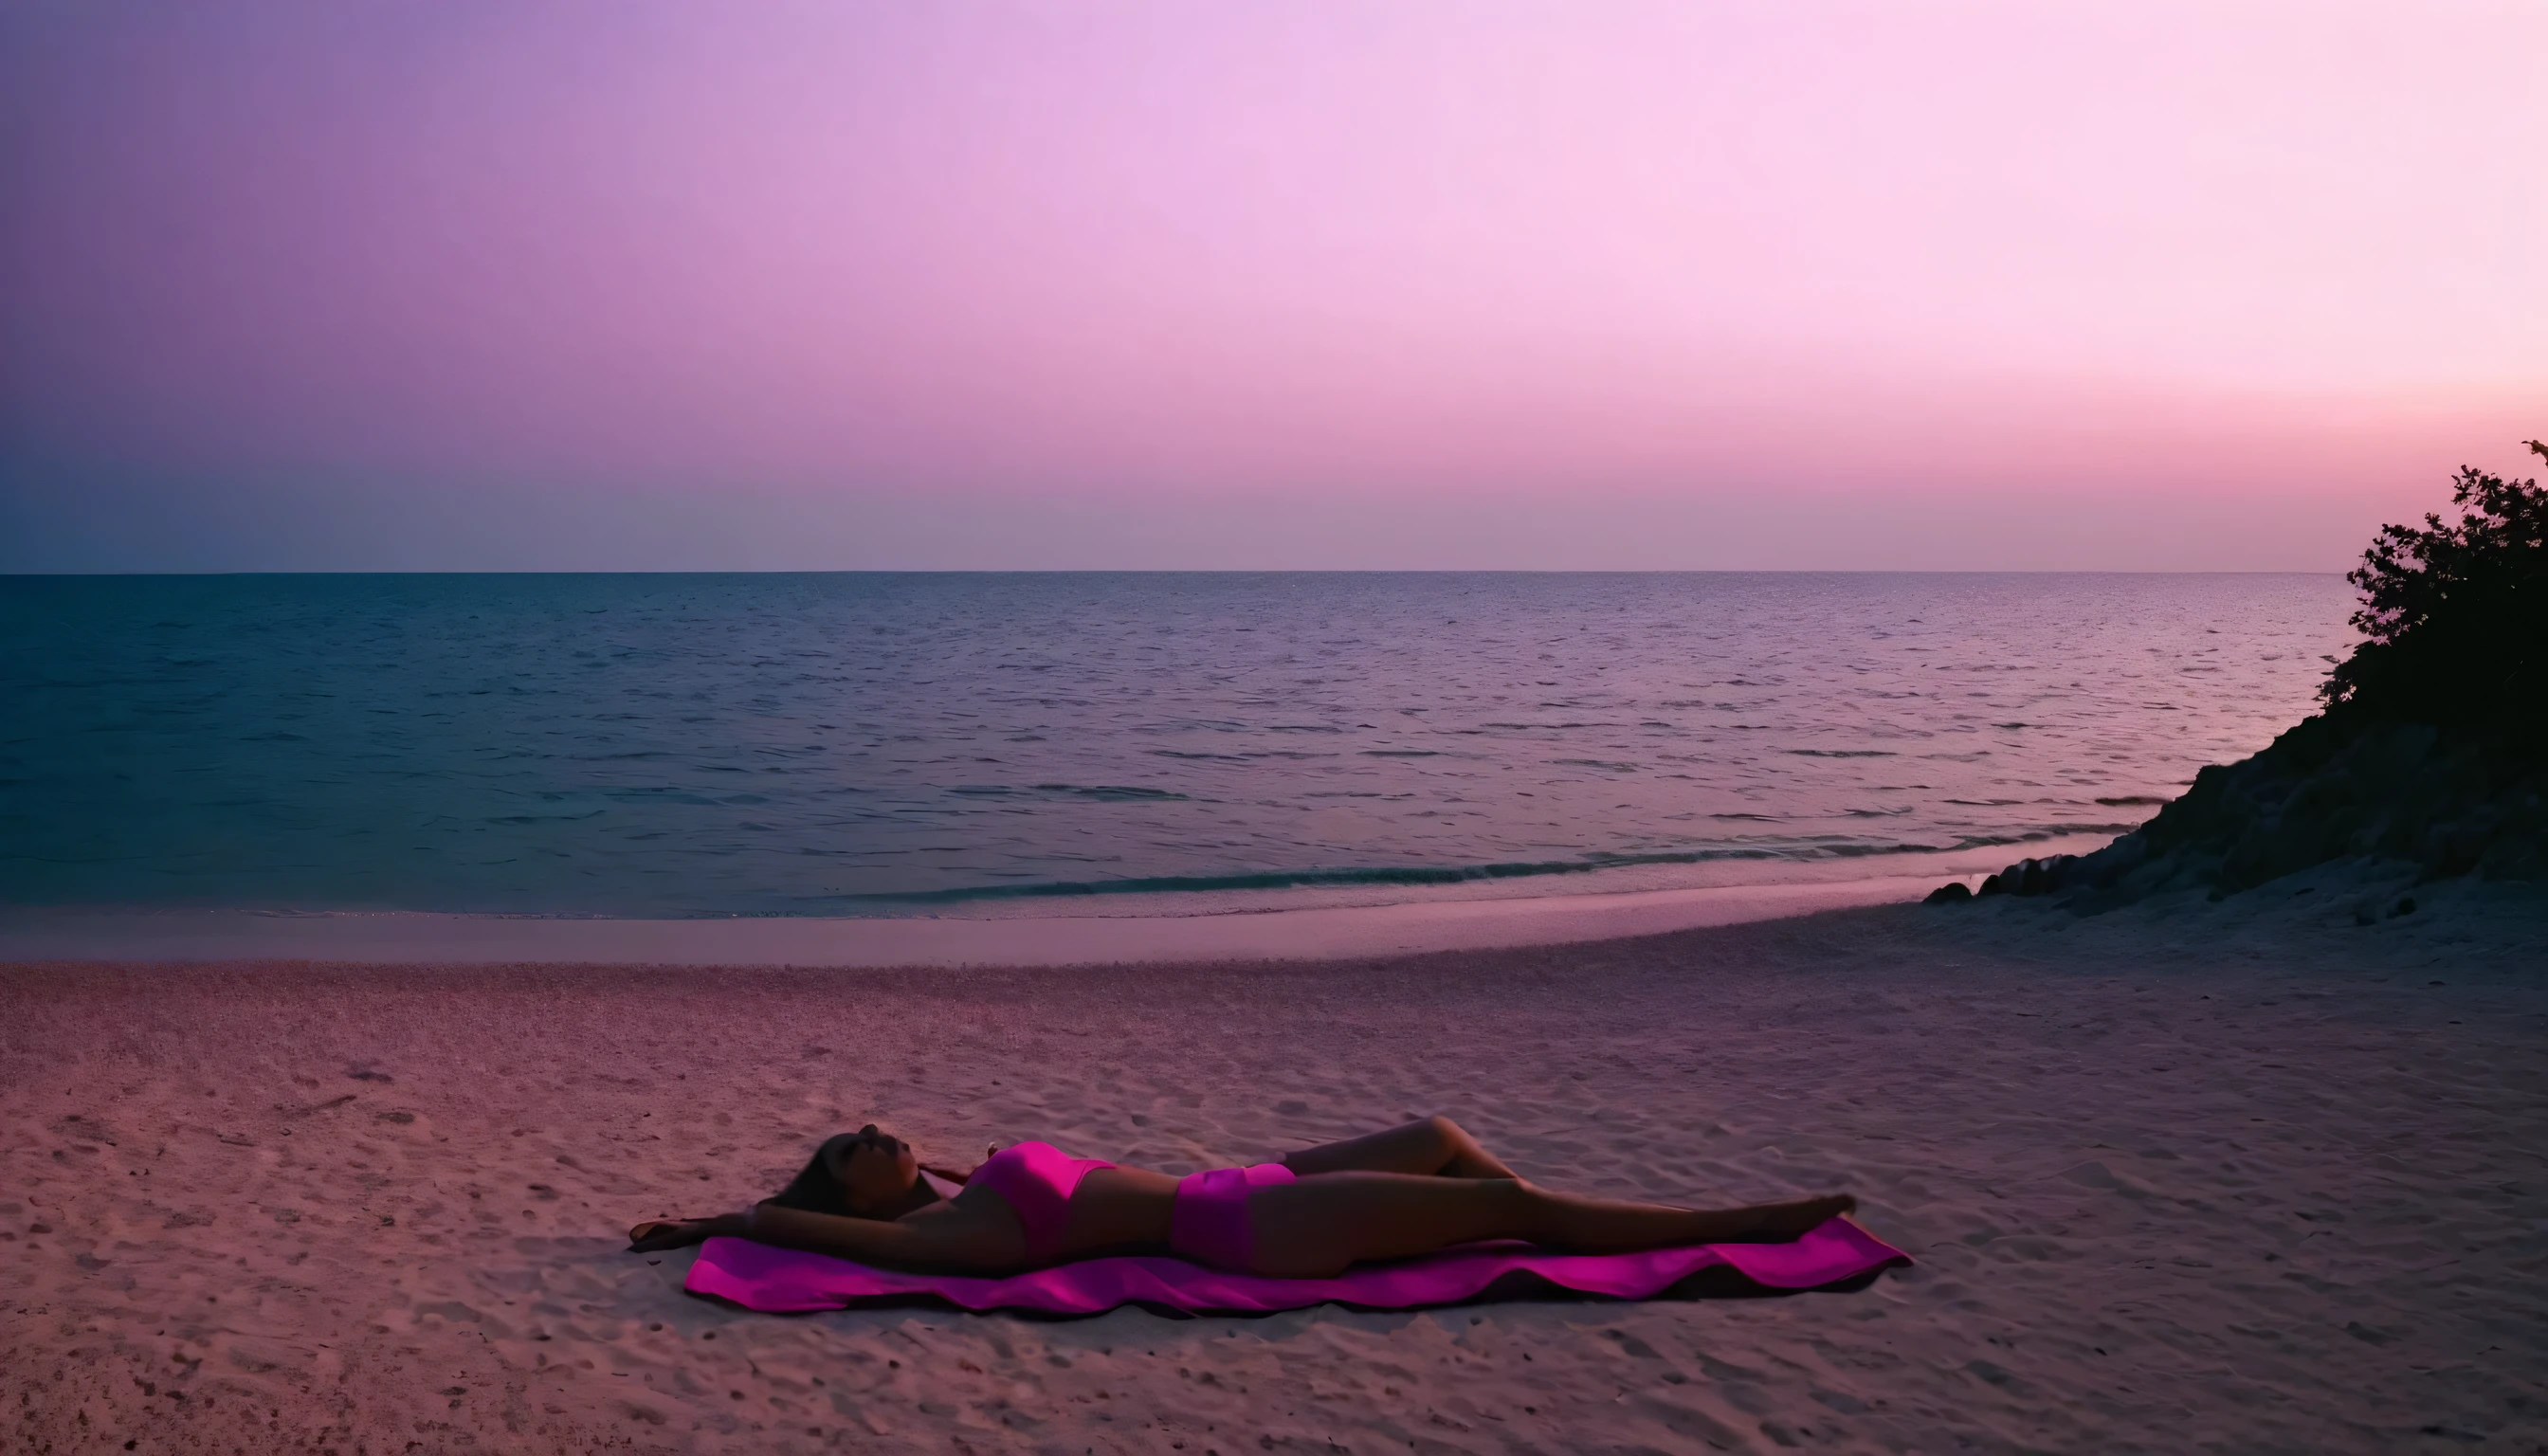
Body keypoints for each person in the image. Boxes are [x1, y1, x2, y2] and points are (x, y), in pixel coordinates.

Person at [626, 1116, 1854, 1280]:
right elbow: (784, 1222)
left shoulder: (958, 1175)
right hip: (1243, 1230)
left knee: (1434, 1135)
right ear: (862, 1199)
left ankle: (1482, 1223)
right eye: (857, 1149)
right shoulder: (960, 1230)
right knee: (1517, 1205)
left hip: (1241, 1179)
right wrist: (718, 1222)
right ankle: (1730, 1224)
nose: (874, 1132)